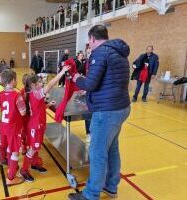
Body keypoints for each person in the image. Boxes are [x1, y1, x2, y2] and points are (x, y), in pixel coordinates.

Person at [68, 25, 131, 200]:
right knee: (112, 149)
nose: (88, 44)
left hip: (107, 111)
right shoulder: (119, 53)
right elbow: (108, 80)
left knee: (97, 152)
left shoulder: (100, 53)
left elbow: (90, 84)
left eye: (89, 40)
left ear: (93, 39)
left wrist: (76, 78)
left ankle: (91, 194)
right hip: (121, 107)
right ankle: (111, 187)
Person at [20, 66, 69, 182]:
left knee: (36, 148)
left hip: (39, 125)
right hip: (35, 126)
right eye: (39, 82)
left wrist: (47, 105)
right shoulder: (36, 93)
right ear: (33, 85)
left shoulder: (35, 94)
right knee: (32, 149)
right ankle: (24, 170)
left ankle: (34, 164)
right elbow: (51, 84)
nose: (42, 83)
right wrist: (62, 72)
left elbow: (38, 108)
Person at [0, 69, 26, 186]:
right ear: (13, 80)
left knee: (9, 149)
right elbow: (23, 112)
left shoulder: (1, 94)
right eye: (16, 79)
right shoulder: (17, 95)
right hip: (13, 128)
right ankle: (11, 178)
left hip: (3, 127)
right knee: (15, 153)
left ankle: (11, 169)